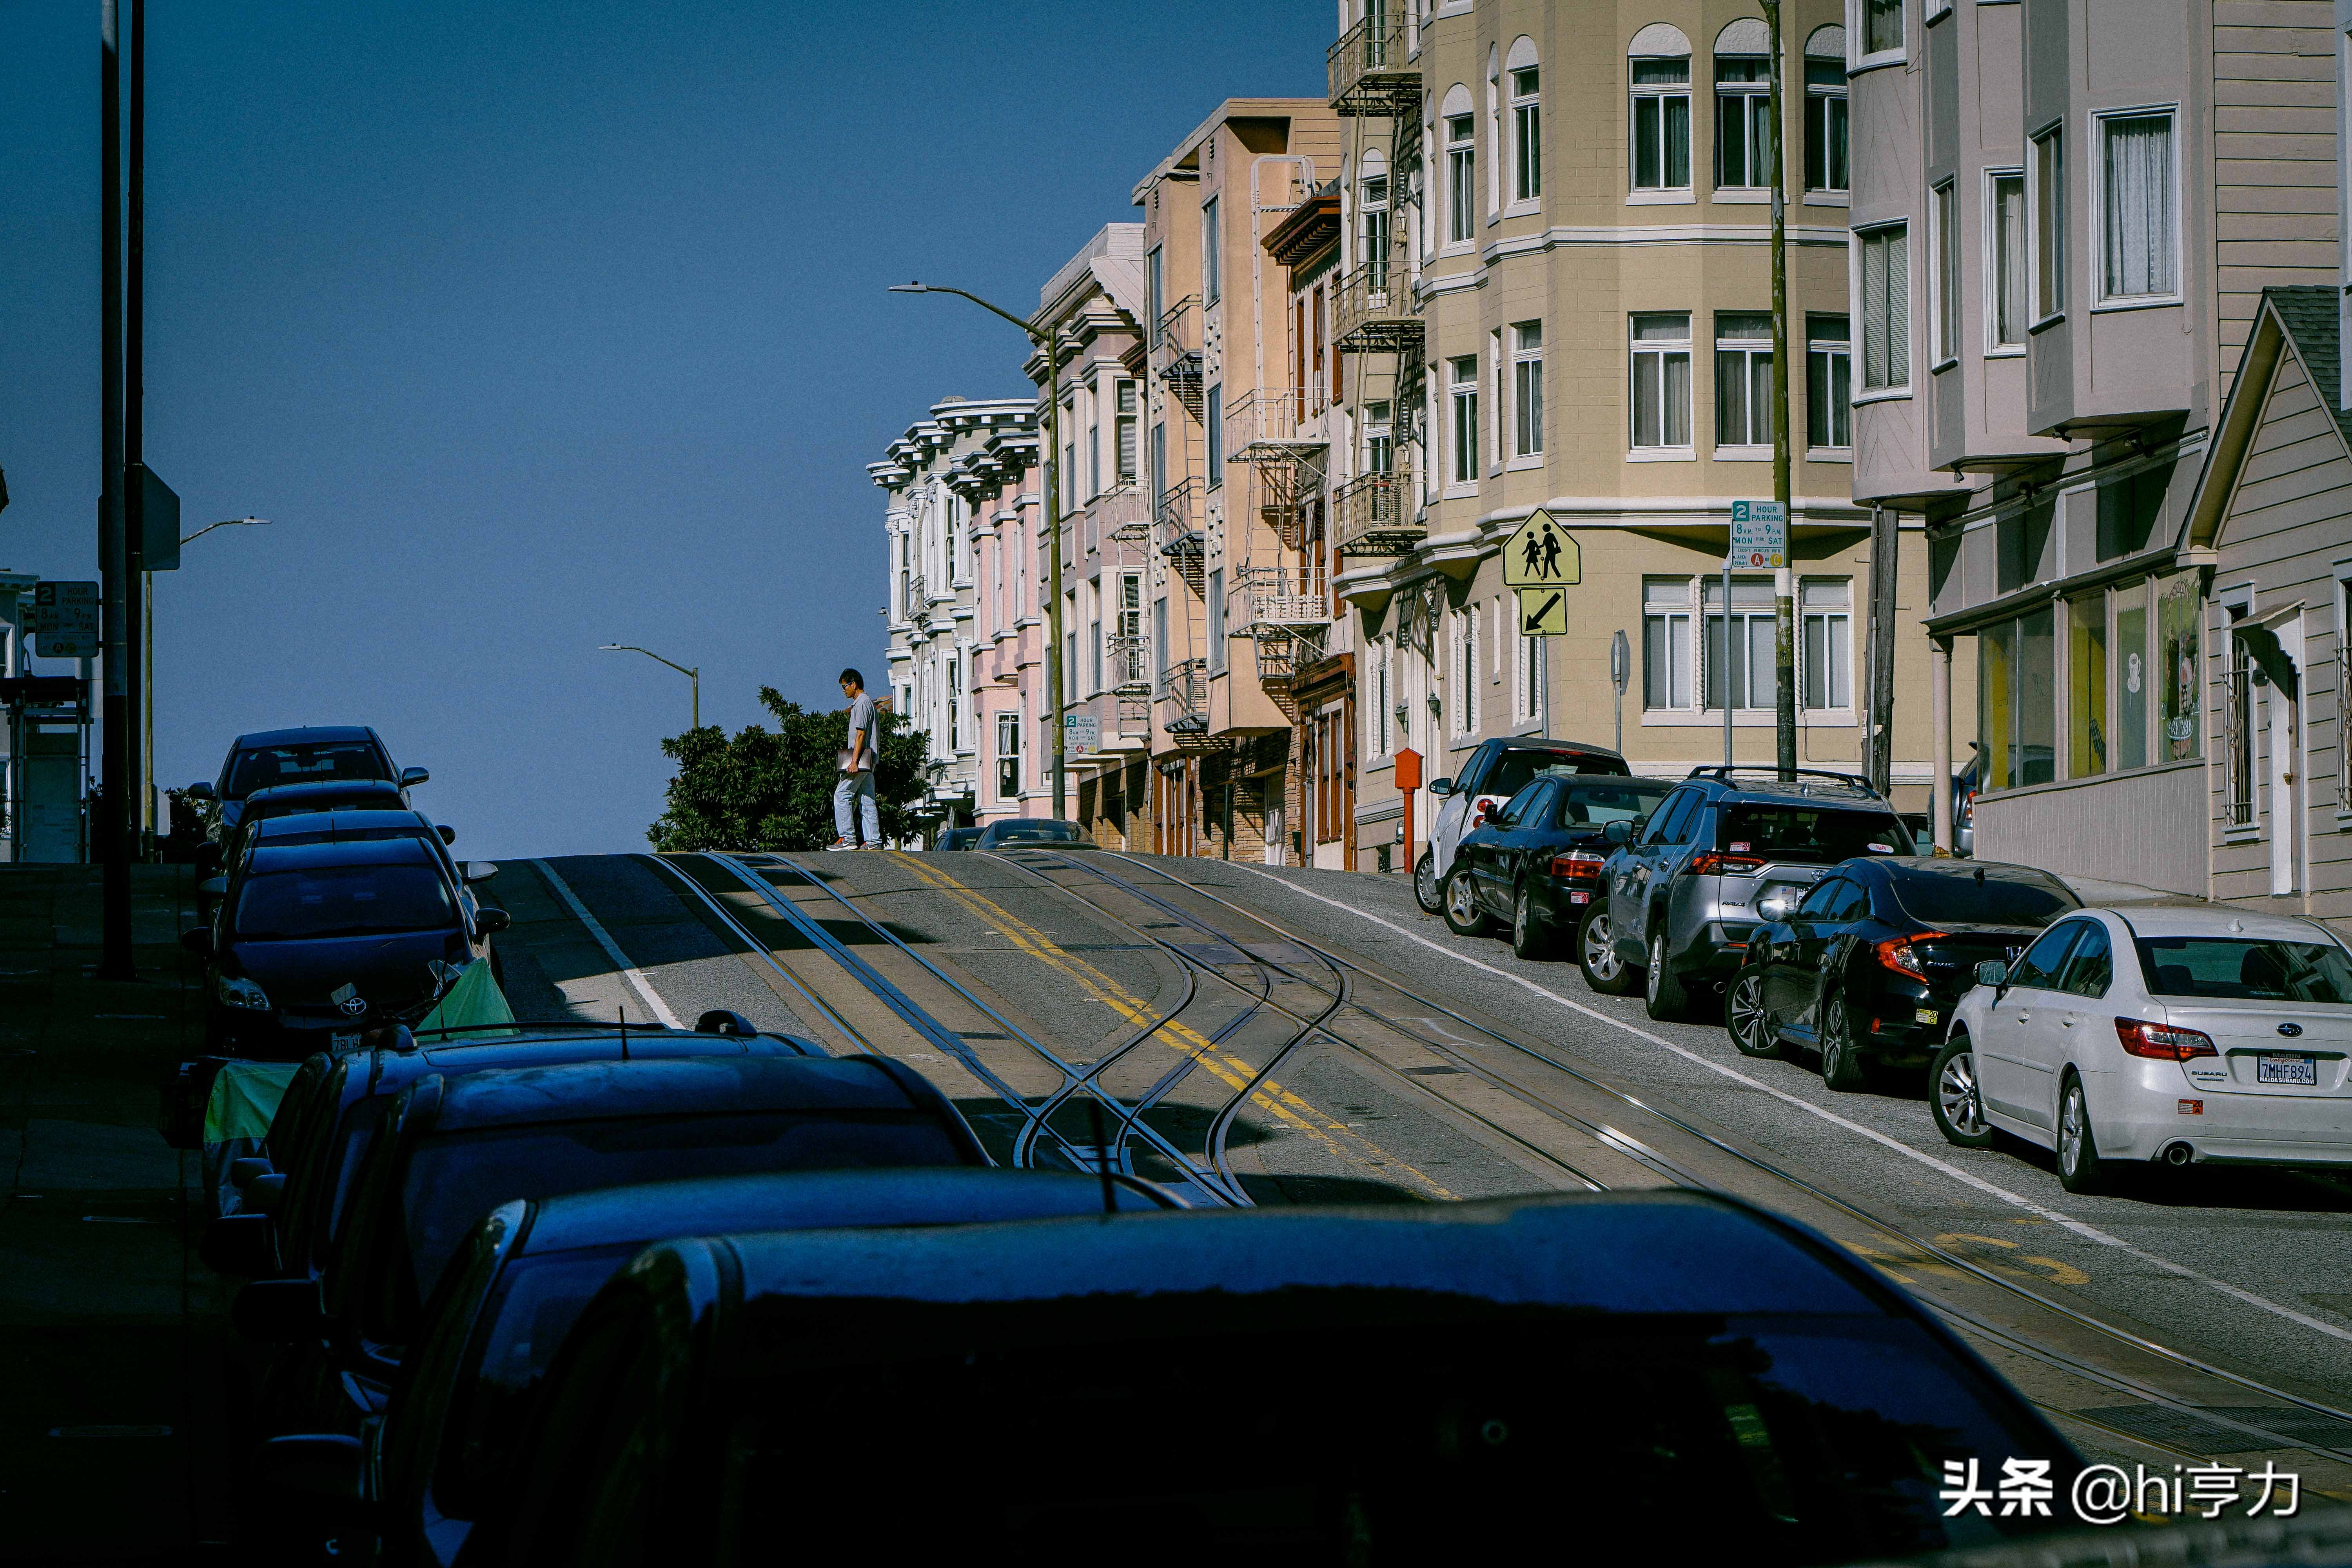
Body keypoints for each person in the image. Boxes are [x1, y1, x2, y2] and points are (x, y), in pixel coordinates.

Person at [830, 668, 885, 851]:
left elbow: (860, 735)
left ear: (854, 684)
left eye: (845, 686)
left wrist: (854, 762)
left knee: (842, 795)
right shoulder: (868, 702)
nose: (844, 690)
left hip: (860, 761)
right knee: (867, 799)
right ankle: (873, 841)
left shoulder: (861, 704)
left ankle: (847, 837)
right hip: (869, 761)